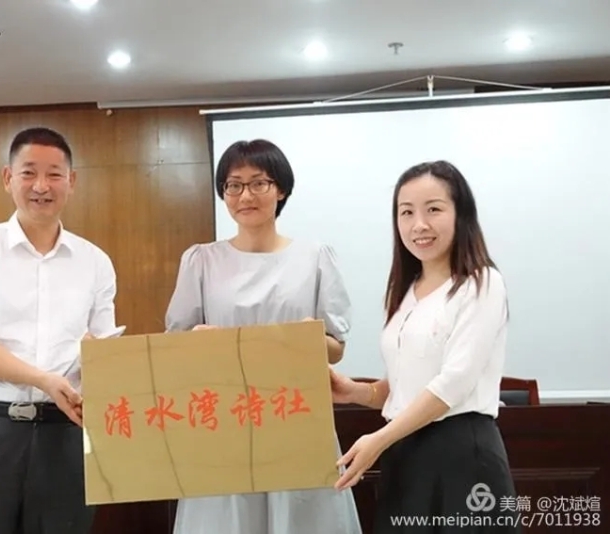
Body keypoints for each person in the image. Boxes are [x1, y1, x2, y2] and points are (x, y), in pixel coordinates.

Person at [164, 139, 363, 534]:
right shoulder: (201, 260)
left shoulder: (314, 257)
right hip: (224, 422)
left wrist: (302, 339)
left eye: (259, 183)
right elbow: (175, 345)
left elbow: (335, 348)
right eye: (234, 185)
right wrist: (198, 341)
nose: (245, 196)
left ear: (281, 189)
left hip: (296, 417)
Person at [0, 127, 120, 534]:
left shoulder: (96, 262)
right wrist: (42, 379)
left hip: (65, 433)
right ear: (8, 178)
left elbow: (104, 348)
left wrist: (100, 362)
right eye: (29, 173)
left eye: (54, 174)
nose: (41, 186)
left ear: (72, 181)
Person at [330, 160, 520, 533]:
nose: (419, 224)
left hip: (461, 456)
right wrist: (354, 391)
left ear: (461, 214)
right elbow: (404, 386)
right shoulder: (405, 293)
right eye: (406, 212)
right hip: (405, 454)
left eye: (433, 209)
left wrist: (379, 440)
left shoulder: (481, 283)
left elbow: (453, 383)